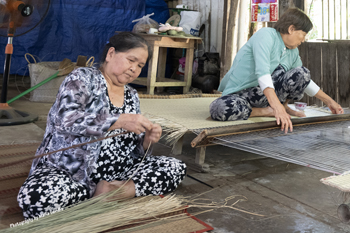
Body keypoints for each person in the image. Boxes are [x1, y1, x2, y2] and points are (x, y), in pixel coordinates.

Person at [17, 32, 187, 219]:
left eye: (140, 66)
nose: (134, 69)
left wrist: (146, 142)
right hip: (73, 175)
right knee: (36, 198)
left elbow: (134, 153)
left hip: (119, 173)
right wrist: (120, 120)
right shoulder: (82, 78)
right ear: (110, 53)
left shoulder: (131, 95)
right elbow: (66, 120)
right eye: (131, 60)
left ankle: (117, 190)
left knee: (174, 167)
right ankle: (102, 194)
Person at [210, 8, 343, 133]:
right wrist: (276, 107)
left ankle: (280, 107)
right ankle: (265, 111)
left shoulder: (293, 52)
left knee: (302, 74)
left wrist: (329, 101)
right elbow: (262, 72)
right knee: (220, 108)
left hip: (268, 96)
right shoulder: (266, 35)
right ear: (291, 29)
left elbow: (305, 81)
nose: (303, 40)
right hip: (242, 95)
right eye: (303, 35)